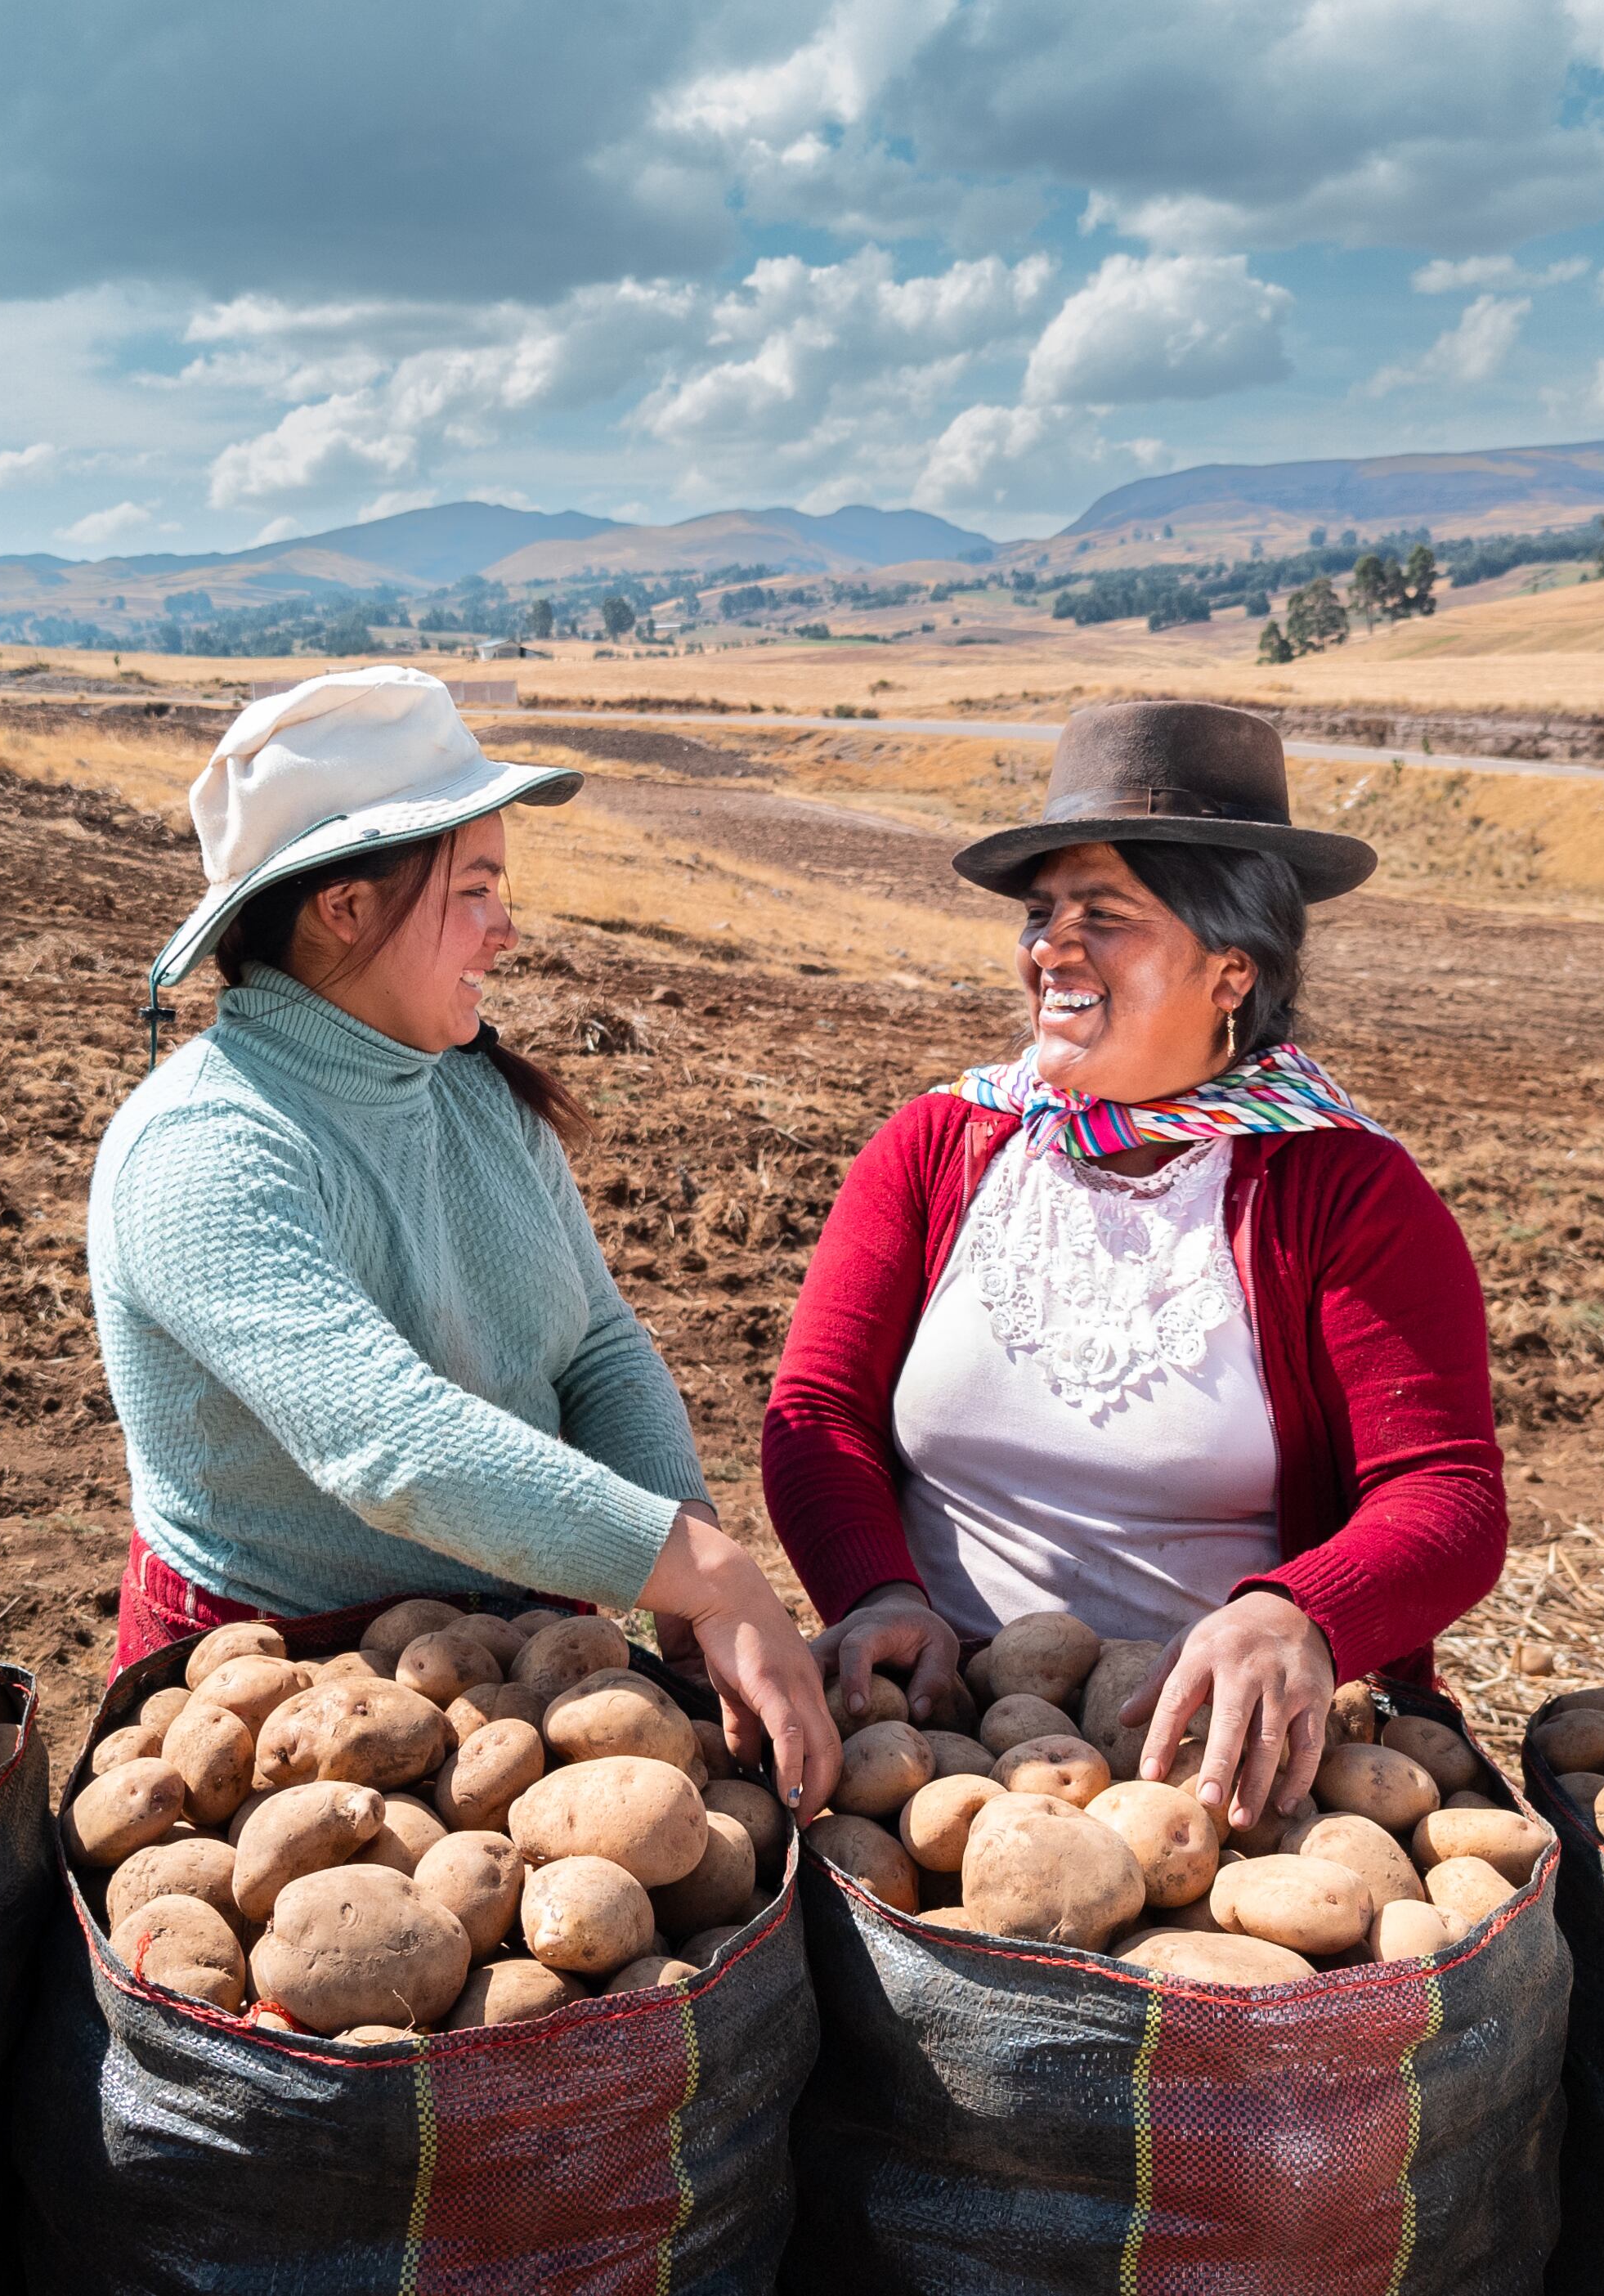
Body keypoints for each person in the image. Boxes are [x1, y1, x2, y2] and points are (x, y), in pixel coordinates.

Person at [91, 665, 839, 1812]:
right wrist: (704, 1573)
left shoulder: (472, 1095)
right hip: (282, 1704)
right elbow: (392, 1442)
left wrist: (683, 1556)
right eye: (477, 888)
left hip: (527, 1657)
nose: (508, 927)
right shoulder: (205, 1146)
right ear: (343, 907)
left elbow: (593, 1346)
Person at [761, 698, 1503, 1832]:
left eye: (1101, 916)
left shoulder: (1345, 1193)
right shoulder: (942, 1145)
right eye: (1040, 913)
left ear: (1229, 971)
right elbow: (819, 1412)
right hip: (937, 1746)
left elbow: (1443, 1496)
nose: (1049, 948)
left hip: (1230, 1765)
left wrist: (1293, 1614)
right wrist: (876, 1591)